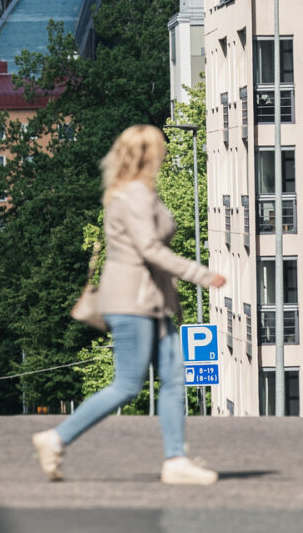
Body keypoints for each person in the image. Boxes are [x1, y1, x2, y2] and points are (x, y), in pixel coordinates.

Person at [32, 124, 227, 486]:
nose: (165, 153)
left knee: (173, 379)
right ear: (149, 154)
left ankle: (175, 460)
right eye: (161, 148)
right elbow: (149, 248)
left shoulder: (126, 191)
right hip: (135, 301)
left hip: (148, 300)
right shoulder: (136, 194)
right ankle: (57, 438)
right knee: (127, 385)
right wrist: (201, 274)